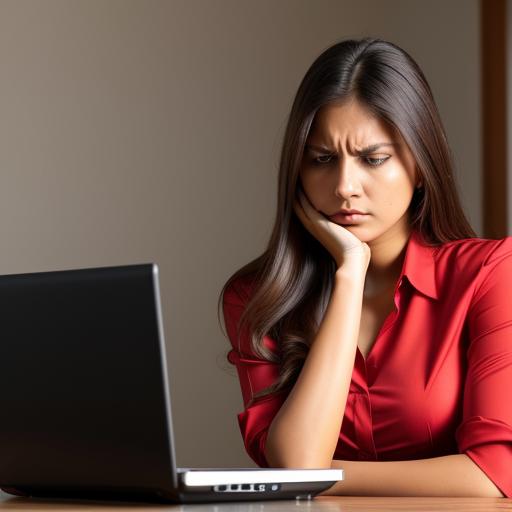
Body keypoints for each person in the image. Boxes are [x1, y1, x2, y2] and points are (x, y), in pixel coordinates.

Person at [218, 37, 511, 497]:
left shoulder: (489, 275)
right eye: (321, 160)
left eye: (373, 159)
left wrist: (320, 478)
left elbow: (493, 475)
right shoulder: (256, 297)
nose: (344, 186)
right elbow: (295, 461)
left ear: (420, 164)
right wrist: (351, 272)